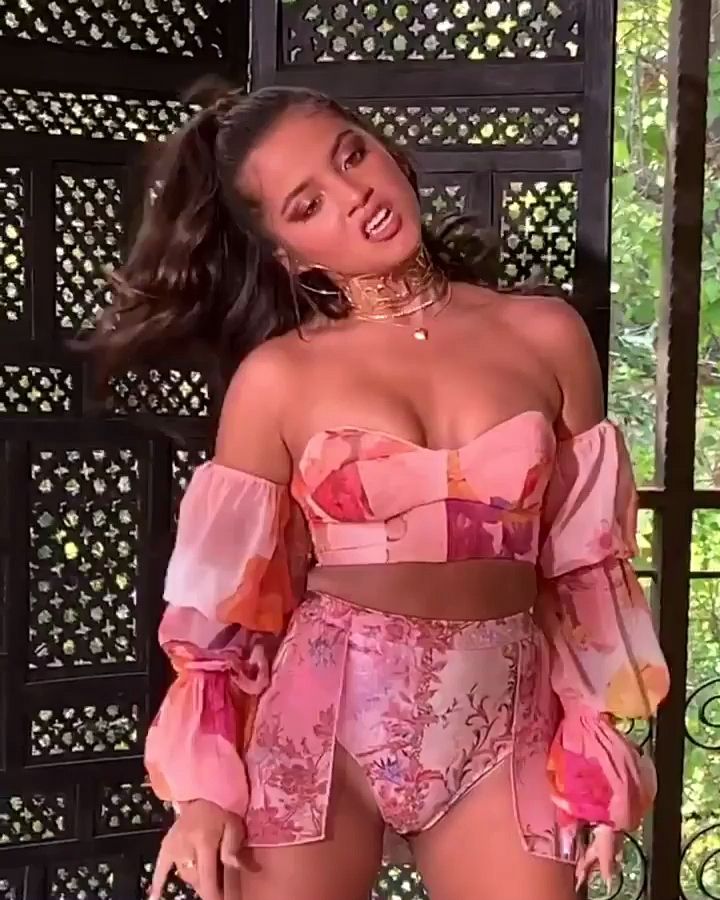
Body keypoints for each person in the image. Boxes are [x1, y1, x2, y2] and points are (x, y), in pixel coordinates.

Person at [89, 82, 669, 900]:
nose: (354, 195)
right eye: (307, 204)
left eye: (352, 156)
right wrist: (205, 790)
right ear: (289, 254)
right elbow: (219, 604)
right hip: (324, 725)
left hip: (504, 716)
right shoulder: (277, 379)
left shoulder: (548, 334)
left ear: (389, 152)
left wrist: (594, 744)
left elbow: (584, 565)